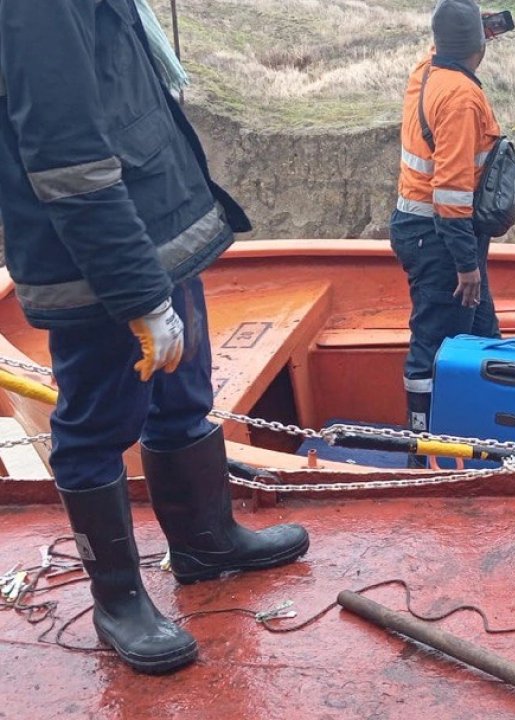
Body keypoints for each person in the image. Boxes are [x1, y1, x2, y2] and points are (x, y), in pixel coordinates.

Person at [0, 1, 309, 674]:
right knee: (95, 427)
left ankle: (206, 542)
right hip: (97, 264)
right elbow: (65, 154)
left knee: (183, 398)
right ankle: (118, 602)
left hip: (155, 232)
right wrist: (139, 294)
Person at [392, 0, 504, 443]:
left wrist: (478, 31)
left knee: (481, 334)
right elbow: (452, 194)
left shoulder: (428, 69)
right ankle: (424, 444)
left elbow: (451, 41)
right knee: (435, 345)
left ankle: (483, 432)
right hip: (440, 239)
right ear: (475, 46)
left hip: (427, 231)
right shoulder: (460, 98)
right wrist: (466, 265)